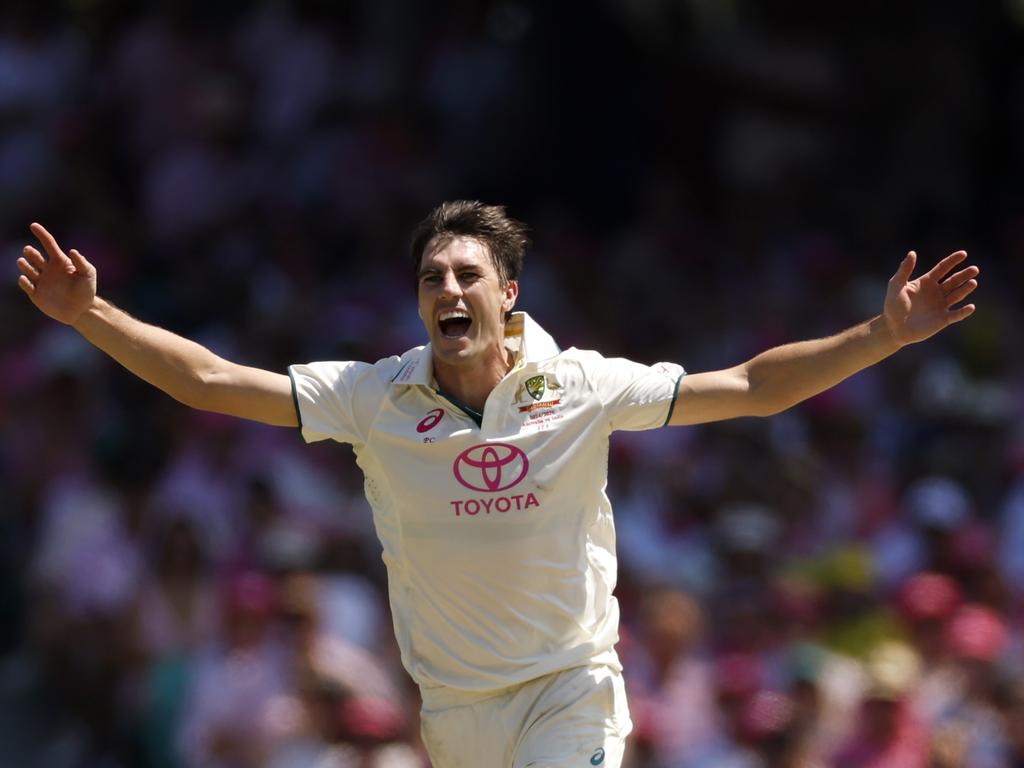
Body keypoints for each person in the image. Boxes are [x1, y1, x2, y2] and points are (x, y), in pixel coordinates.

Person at [16, 200, 980, 767]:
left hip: (571, 688)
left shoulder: (587, 386)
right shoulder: (371, 397)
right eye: (432, 277)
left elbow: (756, 388)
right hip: (455, 711)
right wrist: (92, 314)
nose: (447, 289)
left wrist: (883, 334)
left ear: (507, 294)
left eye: (467, 274)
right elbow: (212, 383)